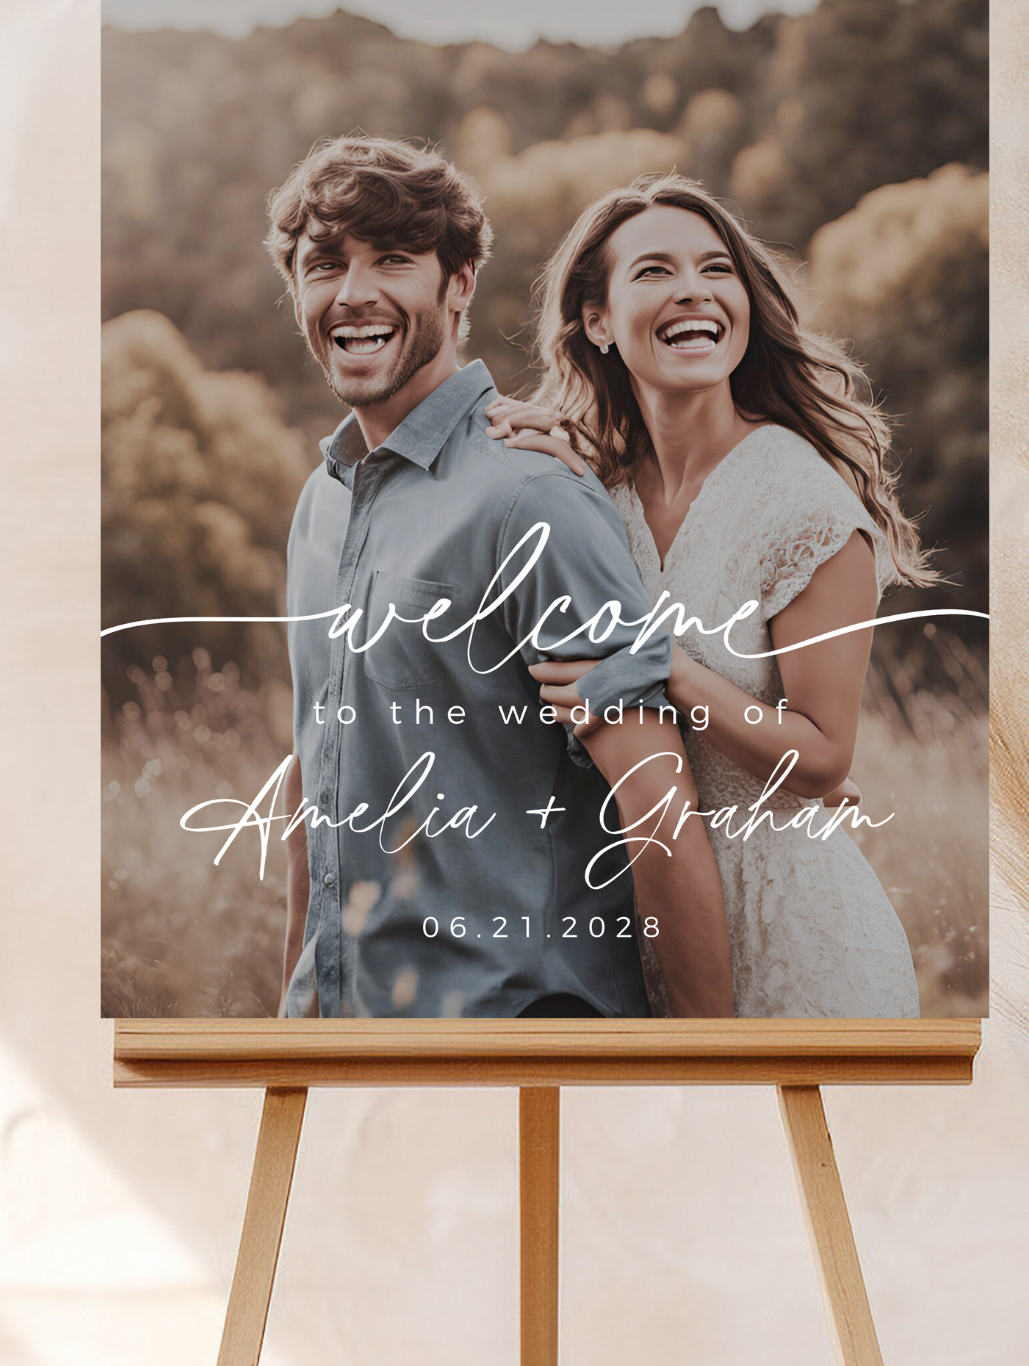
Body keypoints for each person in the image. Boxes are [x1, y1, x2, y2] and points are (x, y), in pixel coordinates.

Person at [265, 134, 731, 1019]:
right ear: (297, 291)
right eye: (324, 264)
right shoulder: (319, 508)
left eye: (394, 260)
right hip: (353, 1040)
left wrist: (711, 1076)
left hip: (519, 1043)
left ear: (460, 285)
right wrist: (296, 1027)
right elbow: (315, 783)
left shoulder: (530, 497)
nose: (354, 292)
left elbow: (655, 801)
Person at [485, 173, 934, 1017]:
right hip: (643, 923)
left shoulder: (803, 502)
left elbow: (825, 758)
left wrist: (669, 670)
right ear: (597, 320)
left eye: (715, 269)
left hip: (800, 937)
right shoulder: (594, 492)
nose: (693, 289)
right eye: (654, 272)